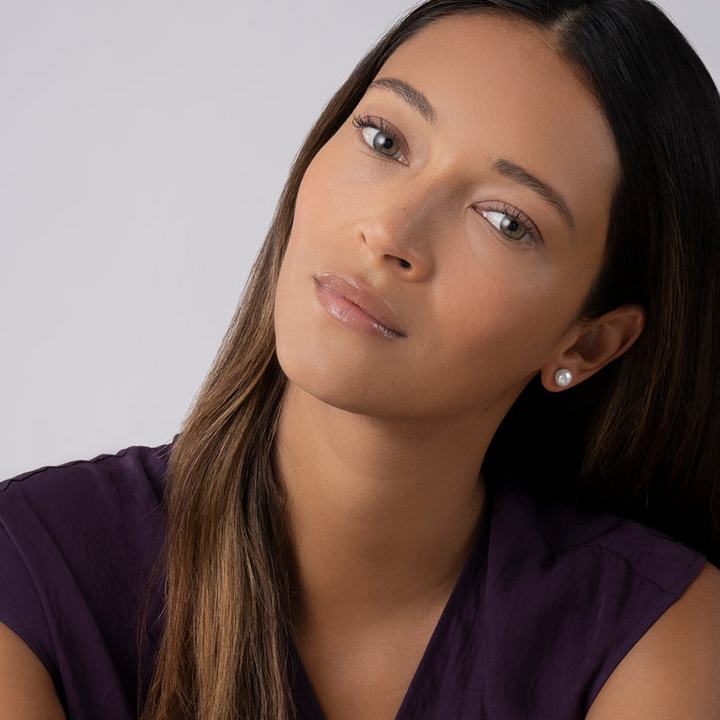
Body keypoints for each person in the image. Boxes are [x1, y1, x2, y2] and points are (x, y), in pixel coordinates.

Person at [1, 0, 720, 718]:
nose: (389, 231)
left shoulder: (653, 632)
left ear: (586, 343)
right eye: (383, 139)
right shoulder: (33, 570)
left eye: (506, 220)